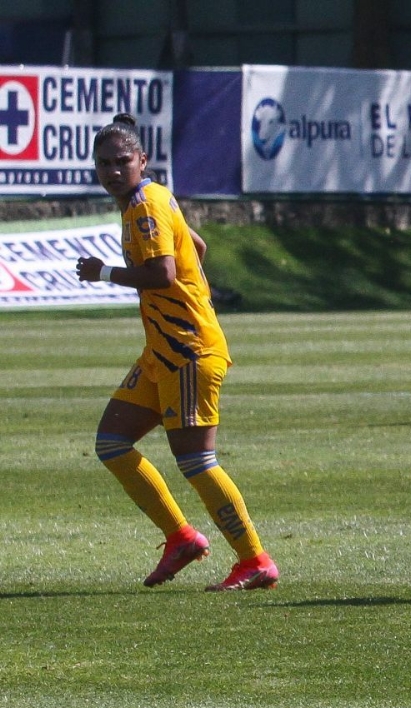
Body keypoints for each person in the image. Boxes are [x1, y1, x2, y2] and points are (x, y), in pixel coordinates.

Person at [75, 114, 277, 592]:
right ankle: (182, 538)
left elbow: (163, 273)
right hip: (164, 351)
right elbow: (197, 246)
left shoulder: (144, 208)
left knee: (196, 461)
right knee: (112, 443)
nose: (112, 171)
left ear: (141, 160)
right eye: (104, 163)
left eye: (122, 161)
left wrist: (104, 274)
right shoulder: (155, 197)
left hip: (187, 350)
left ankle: (255, 560)